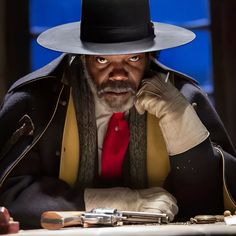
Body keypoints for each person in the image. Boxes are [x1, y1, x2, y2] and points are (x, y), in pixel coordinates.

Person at [0, 0, 236, 229]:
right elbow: (9, 194)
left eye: (133, 58)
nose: (119, 75)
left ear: (150, 56)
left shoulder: (185, 97)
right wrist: (111, 203)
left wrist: (182, 124)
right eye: (102, 59)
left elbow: (214, 205)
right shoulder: (36, 99)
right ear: (83, 58)